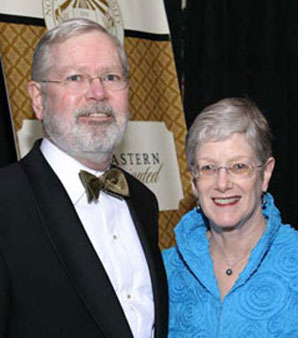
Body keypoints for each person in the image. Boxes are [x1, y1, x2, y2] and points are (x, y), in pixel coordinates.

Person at [0, 18, 168, 338]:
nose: (98, 93)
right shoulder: (6, 203)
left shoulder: (143, 201)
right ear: (38, 98)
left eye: (110, 76)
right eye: (75, 77)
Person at [163, 97, 298, 337]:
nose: (222, 184)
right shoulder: (163, 270)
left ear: (265, 174)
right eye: (208, 168)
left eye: (238, 167)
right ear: (194, 181)